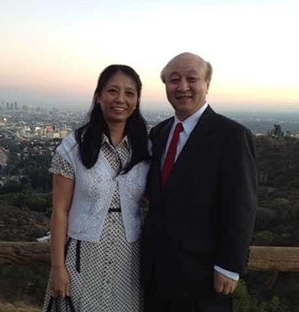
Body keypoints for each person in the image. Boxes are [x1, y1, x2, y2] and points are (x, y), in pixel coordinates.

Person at [141, 52, 257, 312]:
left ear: (207, 84)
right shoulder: (159, 133)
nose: (182, 87)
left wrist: (230, 265)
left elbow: (241, 206)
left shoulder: (232, 136)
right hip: (156, 274)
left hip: (204, 277)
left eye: (192, 79)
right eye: (174, 80)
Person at [42, 64, 150, 312]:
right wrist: (58, 267)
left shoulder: (144, 147)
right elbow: (59, 211)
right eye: (113, 90)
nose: (120, 99)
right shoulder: (74, 146)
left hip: (130, 257)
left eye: (130, 93)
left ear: (137, 101)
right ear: (98, 96)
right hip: (82, 255)